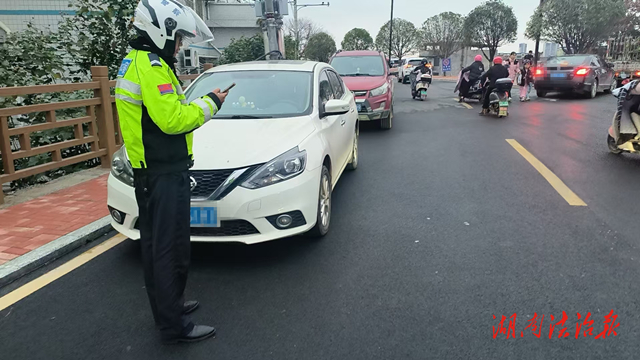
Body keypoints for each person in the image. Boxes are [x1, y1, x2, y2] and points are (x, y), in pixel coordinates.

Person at [114, 0, 228, 344]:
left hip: (153, 172)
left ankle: (169, 307)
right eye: (177, 39)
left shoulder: (137, 62)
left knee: (156, 247)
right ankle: (173, 325)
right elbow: (173, 119)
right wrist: (212, 103)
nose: (179, 46)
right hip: (163, 173)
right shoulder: (151, 68)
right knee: (169, 248)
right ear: (159, 31)